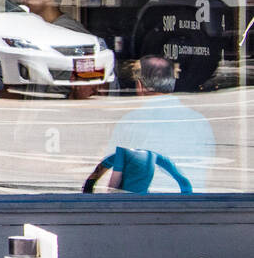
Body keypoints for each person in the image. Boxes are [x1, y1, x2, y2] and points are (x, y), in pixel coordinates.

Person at [85, 55, 214, 192]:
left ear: (140, 86)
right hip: (193, 203)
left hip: (143, 206)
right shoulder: (199, 121)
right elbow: (208, 172)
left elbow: (114, 175)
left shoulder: (131, 122)